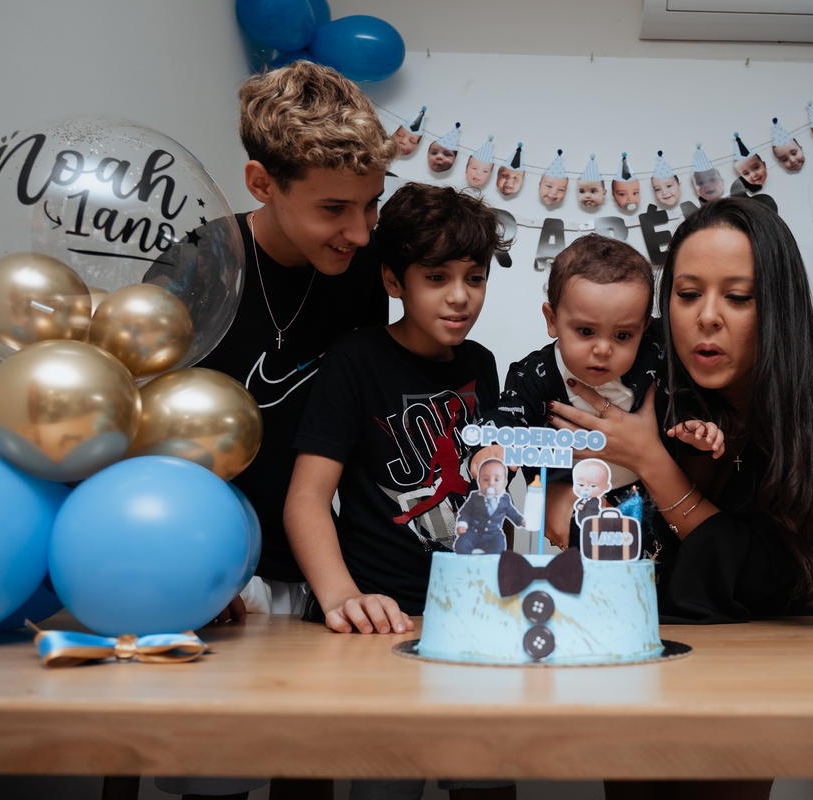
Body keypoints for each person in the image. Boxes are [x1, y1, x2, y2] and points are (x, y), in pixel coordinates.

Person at [548, 197, 813, 800]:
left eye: (738, 297)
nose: (707, 318)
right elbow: (559, 479)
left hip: (758, 664)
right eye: (688, 294)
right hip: (643, 650)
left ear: (775, 307)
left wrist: (651, 462)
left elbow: (771, 576)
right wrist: (560, 497)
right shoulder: (648, 384)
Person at [150, 59, 396, 800]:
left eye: (371, 205)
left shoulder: (360, 269)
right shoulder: (194, 267)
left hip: (314, 563)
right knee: (211, 776)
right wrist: (196, 573)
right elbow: (147, 438)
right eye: (333, 210)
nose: (359, 231)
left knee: (308, 764)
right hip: (203, 564)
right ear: (262, 184)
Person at [284, 182, 514, 800]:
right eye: (437, 276)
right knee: (386, 785)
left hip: (469, 617)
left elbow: (482, 486)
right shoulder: (355, 360)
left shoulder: (483, 363)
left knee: (486, 780)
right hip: (381, 623)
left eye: (475, 276)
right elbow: (306, 498)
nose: (460, 296)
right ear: (394, 281)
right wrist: (342, 599)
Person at [475, 234, 722, 552]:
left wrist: (693, 428)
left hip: (645, 491)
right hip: (575, 495)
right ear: (552, 320)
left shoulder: (654, 356)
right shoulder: (533, 374)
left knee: (661, 558)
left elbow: (680, 406)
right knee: (590, 560)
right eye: (586, 331)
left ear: (644, 327)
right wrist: (495, 443)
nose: (603, 349)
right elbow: (509, 414)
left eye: (622, 335)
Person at [454, 458, 526, 554]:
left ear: (504, 483)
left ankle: (495, 562)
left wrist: (521, 521)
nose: (491, 483)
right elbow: (466, 511)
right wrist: (462, 524)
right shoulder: (475, 497)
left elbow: (511, 513)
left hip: (494, 533)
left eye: (497, 480)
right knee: (463, 542)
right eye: (486, 479)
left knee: (499, 547)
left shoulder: (504, 499)